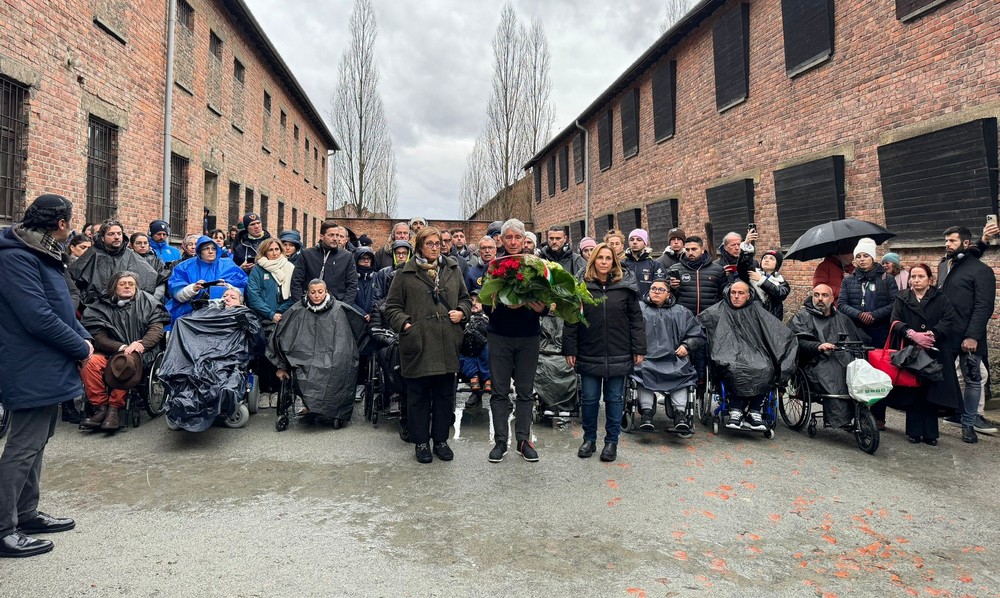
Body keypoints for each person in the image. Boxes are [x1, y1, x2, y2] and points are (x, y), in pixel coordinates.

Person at [0, 194, 93, 558]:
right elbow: (37, 316)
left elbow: (62, 308)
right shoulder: (16, 257)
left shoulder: (42, 252)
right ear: (61, 223)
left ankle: (26, 513)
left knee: (38, 441)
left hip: (48, 361)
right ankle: (5, 528)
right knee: (23, 446)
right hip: (29, 363)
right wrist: (79, 347)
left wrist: (82, 338)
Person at [383, 227, 471, 463]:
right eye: (429, 243)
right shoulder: (405, 273)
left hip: (446, 342)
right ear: (419, 246)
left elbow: (465, 298)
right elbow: (391, 307)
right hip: (418, 343)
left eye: (438, 243)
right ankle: (421, 442)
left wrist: (461, 312)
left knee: (444, 396)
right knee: (418, 396)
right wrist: (405, 325)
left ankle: (440, 441)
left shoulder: (452, 269)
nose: (435, 247)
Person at [564, 243, 646, 462]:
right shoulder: (581, 287)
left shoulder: (625, 288)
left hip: (619, 350)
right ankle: (589, 439)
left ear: (614, 262)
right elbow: (572, 319)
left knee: (614, 399)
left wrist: (639, 348)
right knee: (589, 399)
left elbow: (636, 320)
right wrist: (569, 348)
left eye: (608, 258)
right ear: (593, 261)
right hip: (589, 350)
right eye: (599, 258)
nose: (603, 262)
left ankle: (611, 442)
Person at [483, 219, 547, 463]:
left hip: (528, 335)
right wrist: (503, 303)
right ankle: (500, 441)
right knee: (499, 391)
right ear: (501, 240)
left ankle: (523, 439)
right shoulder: (494, 266)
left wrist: (541, 308)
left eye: (516, 238)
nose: (512, 242)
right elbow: (487, 304)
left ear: (524, 240)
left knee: (525, 391)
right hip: (499, 334)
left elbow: (545, 302)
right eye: (507, 238)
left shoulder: (536, 265)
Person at [698, 281, 797, 430]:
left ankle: (755, 410)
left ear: (748, 295)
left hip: (756, 353)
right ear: (728, 293)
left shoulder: (757, 311)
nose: (736, 296)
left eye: (740, 293)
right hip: (726, 354)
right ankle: (735, 409)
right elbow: (700, 325)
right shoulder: (717, 311)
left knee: (767, 368)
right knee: (732, 367)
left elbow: (777, 333)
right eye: (733, 293)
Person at [268, 279, 368, 425]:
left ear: (326, 292)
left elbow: (360, 329)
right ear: (307, 293)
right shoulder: (296, 310)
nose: (316, 295)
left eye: (320, 292)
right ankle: (311, 406)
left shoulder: (339, 309)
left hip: (334, 356)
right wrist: (281, 365)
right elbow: (280, 337)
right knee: (305, 369)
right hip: (303, 358)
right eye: (313, 292)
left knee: (339, 367)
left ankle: (331, 409)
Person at [79, 271, 170, 431]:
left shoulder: (149, 303)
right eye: (122, 284)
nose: (127, 286)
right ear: (114, 286)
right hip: (110, 350)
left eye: (131, 284)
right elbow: (98, 336)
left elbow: (156, 330)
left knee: (126, 361)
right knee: (90, 363)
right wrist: (120, 347)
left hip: (141, 353)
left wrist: (140, 345)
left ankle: (114, 408)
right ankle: (100, 408)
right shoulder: (100, 306)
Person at [887, 264, 960, 446]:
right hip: (912, 351)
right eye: (913, 276)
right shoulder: (902, 298)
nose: (916, 280)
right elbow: (894, 321)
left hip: (934, 351)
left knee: (931, 391)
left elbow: (948, 319)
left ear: (930, 279)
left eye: (921, 276)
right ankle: (913, 431)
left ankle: (930, 434)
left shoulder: (940, 298)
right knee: (914, 391)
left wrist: (933, 334)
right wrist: (913, 334)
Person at [937, 225, 997, 443]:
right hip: (945, 335)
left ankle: (969, 424)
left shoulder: (981, 271)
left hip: (969, 338)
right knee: (945, 377)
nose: (947, 245)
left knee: (973, 379)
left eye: (952, 241)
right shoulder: (945, 265)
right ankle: (952, 413)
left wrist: (972, 336)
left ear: (965, 243)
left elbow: (984, 307)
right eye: (946, 241)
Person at [787, 284, 870, 430]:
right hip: (815, 361)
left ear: (832, 298)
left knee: (857, 371)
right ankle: (840, 418)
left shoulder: (843, 318)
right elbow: (796, 341)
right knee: (833, 375)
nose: (820, 299)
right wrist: (818, 346)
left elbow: (858, 338)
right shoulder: (802, 317)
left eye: (824, 295)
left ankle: (857, 415)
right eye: (816, 295)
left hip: (842, 358)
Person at [632, 276, 705, 434]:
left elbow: (697, 335)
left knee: (682, 373)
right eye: (653, 289)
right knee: (641, 371)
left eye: (661, 290)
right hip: (646, 357)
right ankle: (646, 413)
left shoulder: (681, 312)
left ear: (669, 294)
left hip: (674, 358)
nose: (656, 292)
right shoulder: (638, 309)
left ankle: (680, 415)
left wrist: (687, 346)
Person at [838, 237, 897, 430]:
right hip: (855, 331)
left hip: (879, 332)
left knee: (878, 373)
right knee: (856, 372)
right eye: (859, 256)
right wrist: (859, 315)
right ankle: (857, 415)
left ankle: (878, 417)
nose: (862, 259)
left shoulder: (887, 279)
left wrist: (874, 315)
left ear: (873, 257)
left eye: (865, 256)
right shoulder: (849, 280)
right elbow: (842, 304)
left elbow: (895, 304)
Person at [69, 219, 165, 304]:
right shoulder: (92, 254)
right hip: (97, 311)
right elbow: (73, 280)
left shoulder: (130, 255)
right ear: (102, 237)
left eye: (119, 233)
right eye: (111, 234)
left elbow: (153, 280)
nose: (116, 237)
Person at [166, 236, 248, 323]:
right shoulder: (184, 267)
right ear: (199, 251)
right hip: (190, 312)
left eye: (213, 248)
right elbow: (177, 293)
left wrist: (228, 287)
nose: (210, 251)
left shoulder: (228, 265)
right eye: (206, 248)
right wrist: (193, 288)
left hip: (225, 313)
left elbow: (243, 286)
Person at [291, 221, 358, 305]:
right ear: (321, 236)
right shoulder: (307, 254)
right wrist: (301, 305)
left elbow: (352, 285)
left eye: (337, 235)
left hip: (336, 307)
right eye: (331, 235)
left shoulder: (347, 257)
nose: (335, 238)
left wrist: (343, 307)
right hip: (308, 306)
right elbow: (296, 282)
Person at [667, 236, 726, 316]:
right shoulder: (675, 269)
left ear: (702, 250)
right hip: (684, 318)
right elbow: (668, 297)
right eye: (687, 250)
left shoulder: (717, 270)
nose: (690, 252)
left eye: (694, 249)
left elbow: (723, 296)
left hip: (710, 318)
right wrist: (672, 288)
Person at [459, 291, 490, 405]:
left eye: (478, 301)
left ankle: (486, 378)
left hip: (484, 349)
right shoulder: (464, 318)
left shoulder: (487, 317)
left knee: (486, 350)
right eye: (472, 301)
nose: (474, 303)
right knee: (464, 353)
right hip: (468, 349)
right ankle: (474, 377)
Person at [747, 249, 791, 320]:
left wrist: (761, 280)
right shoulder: (752, 276)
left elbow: (779, 294)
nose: (767, 260)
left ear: (777, 264)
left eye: (771, 259)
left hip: (772, 320)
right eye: (765, 258)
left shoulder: (782, 283)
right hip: (753, 317)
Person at [623, 228, 661, 297]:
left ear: (645, 243)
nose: (634, 242)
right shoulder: (622, 264)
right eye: (632, 239)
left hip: (646, 304)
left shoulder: (654, 264)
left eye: (639, 240)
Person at [353, 246, 378, 317]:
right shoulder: (351, 278)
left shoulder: (378, 277)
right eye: (363, 258)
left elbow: (381, 298)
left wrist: (372, 313)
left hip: (374, 317)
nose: (366, 261)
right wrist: (362, 313)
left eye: (369, 258)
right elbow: (349, 299)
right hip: (355, 317)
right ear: (357, 260)